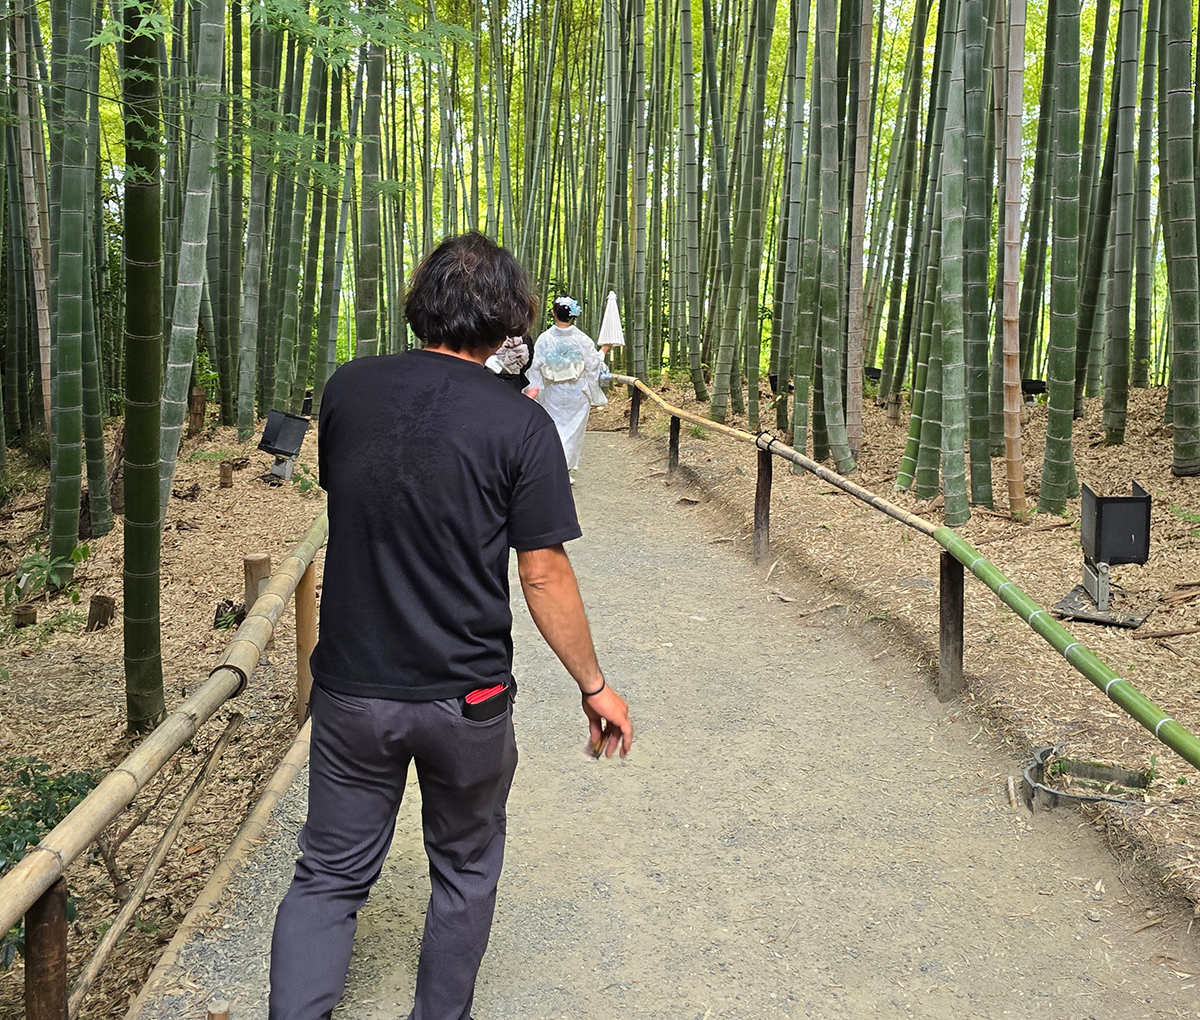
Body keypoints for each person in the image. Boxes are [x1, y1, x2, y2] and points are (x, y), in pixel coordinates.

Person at [268, 232, 633, 1020]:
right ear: (510, 321)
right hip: (467, 698)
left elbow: (358, 496)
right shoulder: (520, 426)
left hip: (353, 689)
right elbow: (542, 573)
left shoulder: (348, 389)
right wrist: (595, 686)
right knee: (465, 869)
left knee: (327, 875)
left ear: (420, 303)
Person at [525, 295, 607, 482]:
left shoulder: (545, 339)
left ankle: (555, 468)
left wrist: (535, 390)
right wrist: (602, 353)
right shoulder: (582, 339)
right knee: (572, 431)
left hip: (552, 390)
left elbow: (535, 368)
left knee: (554, 429)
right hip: (577, 392)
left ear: (553, 313)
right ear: (573, 315)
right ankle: (565, 470)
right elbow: (593, 366)